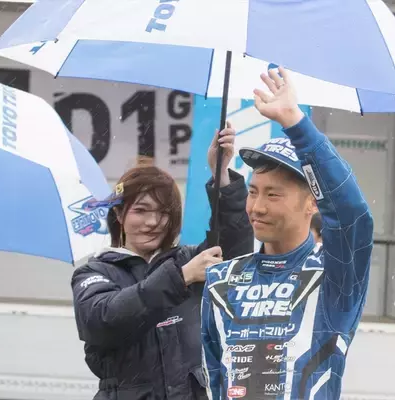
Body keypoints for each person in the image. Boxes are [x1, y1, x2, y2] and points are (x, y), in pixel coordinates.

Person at [201, 68, 374, 400]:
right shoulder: (221, 280)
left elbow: (352, 216)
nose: (258, 207)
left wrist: (296, 123)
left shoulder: (334, 274)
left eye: (273, 195)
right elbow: (214, 380)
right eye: (253, 192)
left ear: (312, 202)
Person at [70, 124, 254, 400]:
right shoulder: (93, 273)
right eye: (141, 210)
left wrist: (221, 174)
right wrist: (180, 278)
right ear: (119, 214)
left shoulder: (190, 260)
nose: (153, 222)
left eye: (163, 212)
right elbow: (103, 320)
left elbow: (236, 245)